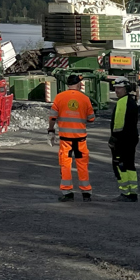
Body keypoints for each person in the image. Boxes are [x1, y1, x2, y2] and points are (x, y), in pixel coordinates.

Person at [48, 73, 96, 201]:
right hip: (80, 139)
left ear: (68, 84)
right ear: (79, 84)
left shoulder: (59, 97)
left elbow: (52, 117)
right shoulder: (85, 99)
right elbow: (91, 118)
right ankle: (86, 193)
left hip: (66, 140)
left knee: (65, 165)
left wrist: (51, 130)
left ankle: (67, 193)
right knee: (82, 165)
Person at [108, 78, 140, 202]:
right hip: (131, 138)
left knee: (120, 165)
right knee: (130, 165)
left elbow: (118, 125)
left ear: (125, 89)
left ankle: (125, 193)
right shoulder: (131, 101)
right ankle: (133, 193)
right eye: (115, 88)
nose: (116, 90)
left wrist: (114, 140)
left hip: (122, 140)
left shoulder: (123, 102)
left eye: (119, 88)